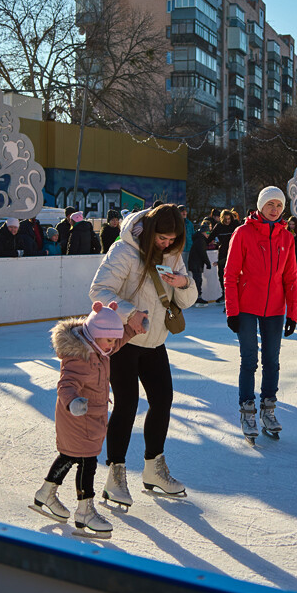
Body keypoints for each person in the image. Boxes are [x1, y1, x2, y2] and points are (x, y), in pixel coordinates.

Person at [89, 204, 197, 507]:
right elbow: (99, 290)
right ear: (149, 231)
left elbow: (187, 301)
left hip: (154, 341)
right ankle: (116, 474)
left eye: (172, 240)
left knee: (163, 400)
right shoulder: (123, 252)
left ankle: (153, 468)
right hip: (123, 340)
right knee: (127, 404)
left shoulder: (173, 254)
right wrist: (130, 312)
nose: (166, 244)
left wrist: (184, 283)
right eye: (162, 239)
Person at [31, 300, 125, 537]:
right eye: (109, 340)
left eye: (115, 340)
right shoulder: (79, 357)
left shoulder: (100, 348)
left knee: (70, 456)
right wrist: (73, 402)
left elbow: (119, 339)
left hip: (89, 419)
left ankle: (46, 493)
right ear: (95, 335)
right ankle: (84, 511)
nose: (113, 345)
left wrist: (135, 326)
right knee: (86, 463)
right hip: (77, 417)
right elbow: (66, 384)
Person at [224, 187, 297, 441]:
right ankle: (247, 410)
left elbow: (291, 278)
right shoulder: (243, 233)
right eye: (270, 205)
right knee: (249, 360)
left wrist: (293, 314)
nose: (275, 209)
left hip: (275, 309)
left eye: (279, 205)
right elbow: (230, 274)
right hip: (246, 307)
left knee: (272, 361)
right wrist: (232, 310)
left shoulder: (286, 238)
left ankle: (268, 409)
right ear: (260, 206)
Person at [210, 209, 238, 303]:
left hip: (234, 251)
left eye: (229, 219)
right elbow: (210, 237)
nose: (227, 221)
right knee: (222, 274)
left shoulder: (235, 225)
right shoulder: (219, 226)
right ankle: (224, 293)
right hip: (223, 251)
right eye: (225, 219)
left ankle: (233, 295)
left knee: (233, 274)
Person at [188, 221, 213, 305]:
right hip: (196, 264)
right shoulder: (200, 240)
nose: (208, 234)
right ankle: (197, 297)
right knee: (197, 280)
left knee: (198, 280)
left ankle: (197, 296)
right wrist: (208, 263)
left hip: (195, 263)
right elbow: (202, 253)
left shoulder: (199, 239)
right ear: (203, 232)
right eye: (207, 232)